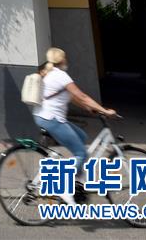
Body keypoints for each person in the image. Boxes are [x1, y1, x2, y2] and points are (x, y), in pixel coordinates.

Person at [33, 47, 116, 203]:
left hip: (46, 117)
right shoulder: (60, 75)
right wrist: (104, 110)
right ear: (61, 60)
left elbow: (73, 98)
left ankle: (78, 178)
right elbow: (81, 96)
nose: (67, 60)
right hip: (51, 119)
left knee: (82, 137)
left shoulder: (51, 73)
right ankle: (64, 188)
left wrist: (90, 108)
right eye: (65, 58)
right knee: (81, 154)